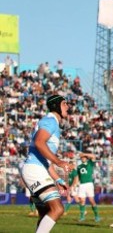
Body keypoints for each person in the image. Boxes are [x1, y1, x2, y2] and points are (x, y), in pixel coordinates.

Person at [19, 94, 74, 233]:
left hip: (38, 169)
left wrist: (58, 179)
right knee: (58, 209)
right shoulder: (50, 121)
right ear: (56, 106)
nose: (68, 107)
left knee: (45, 214)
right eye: (64, 104)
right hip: (34, 170)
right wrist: (59, 162)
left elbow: (45, 160)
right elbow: (39, 143)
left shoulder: (51, 122)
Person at [74, 152, 101, 222]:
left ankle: (97, 216)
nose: (82, 158)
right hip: (82, 185)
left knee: (91, 200)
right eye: (82, 157)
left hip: (89, 184)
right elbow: (78, 177)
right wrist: (75, 185)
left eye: (84, 157)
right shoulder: (79, 166)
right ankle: (82, 217)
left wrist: (84, 154)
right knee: (82, 201)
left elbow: (93, 156)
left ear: (86, 158)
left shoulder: (90, 163)